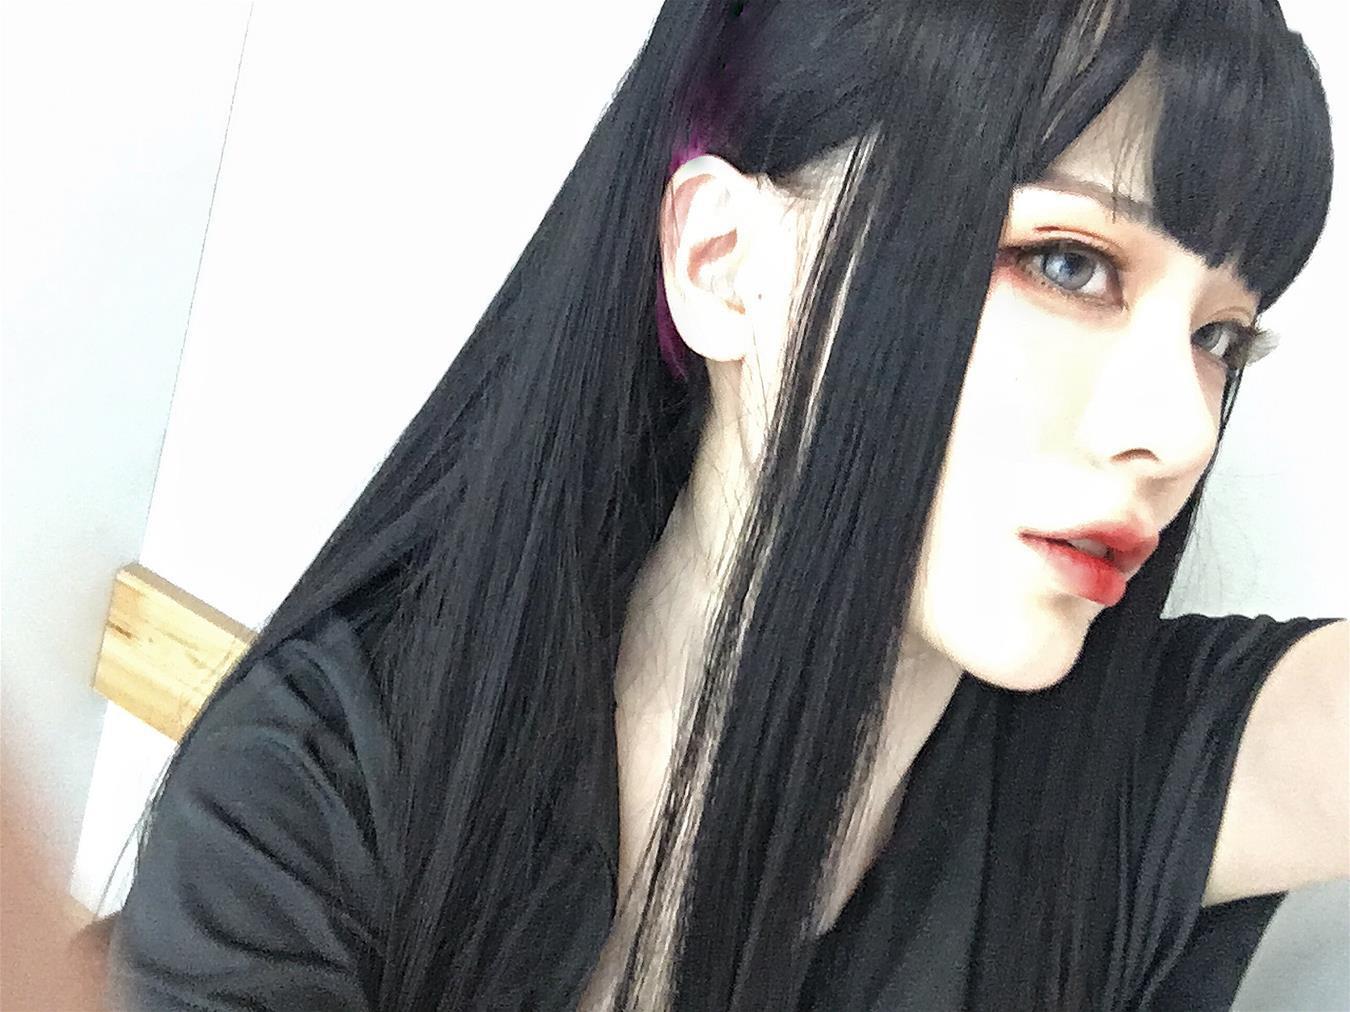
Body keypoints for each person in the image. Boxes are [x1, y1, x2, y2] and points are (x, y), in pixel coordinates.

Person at [100, 0, 1348, 1009]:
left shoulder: (1112, 788)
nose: (1182, 428)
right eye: (1067, 262)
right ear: (726, 266)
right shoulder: (324, 795)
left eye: (1220, 337)